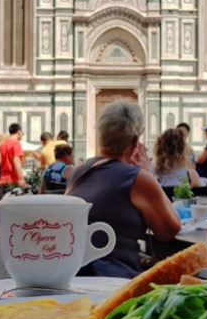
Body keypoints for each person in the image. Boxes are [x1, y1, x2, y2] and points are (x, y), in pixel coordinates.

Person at [67, 102, 181, 278]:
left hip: (76, 273)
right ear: (135, 141)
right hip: (116, 279)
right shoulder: (137, 178)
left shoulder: (79, 171)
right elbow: (169, 230)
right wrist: (148, 172)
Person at [0, 123, 26, 201]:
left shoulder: (3, 145)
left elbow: (1, 162)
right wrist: (21, 178)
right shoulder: (16, 143)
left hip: (3, 179)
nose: (22, 135)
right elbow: (16, 161)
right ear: (18, 132)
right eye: (22, 133)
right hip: (13, 180)